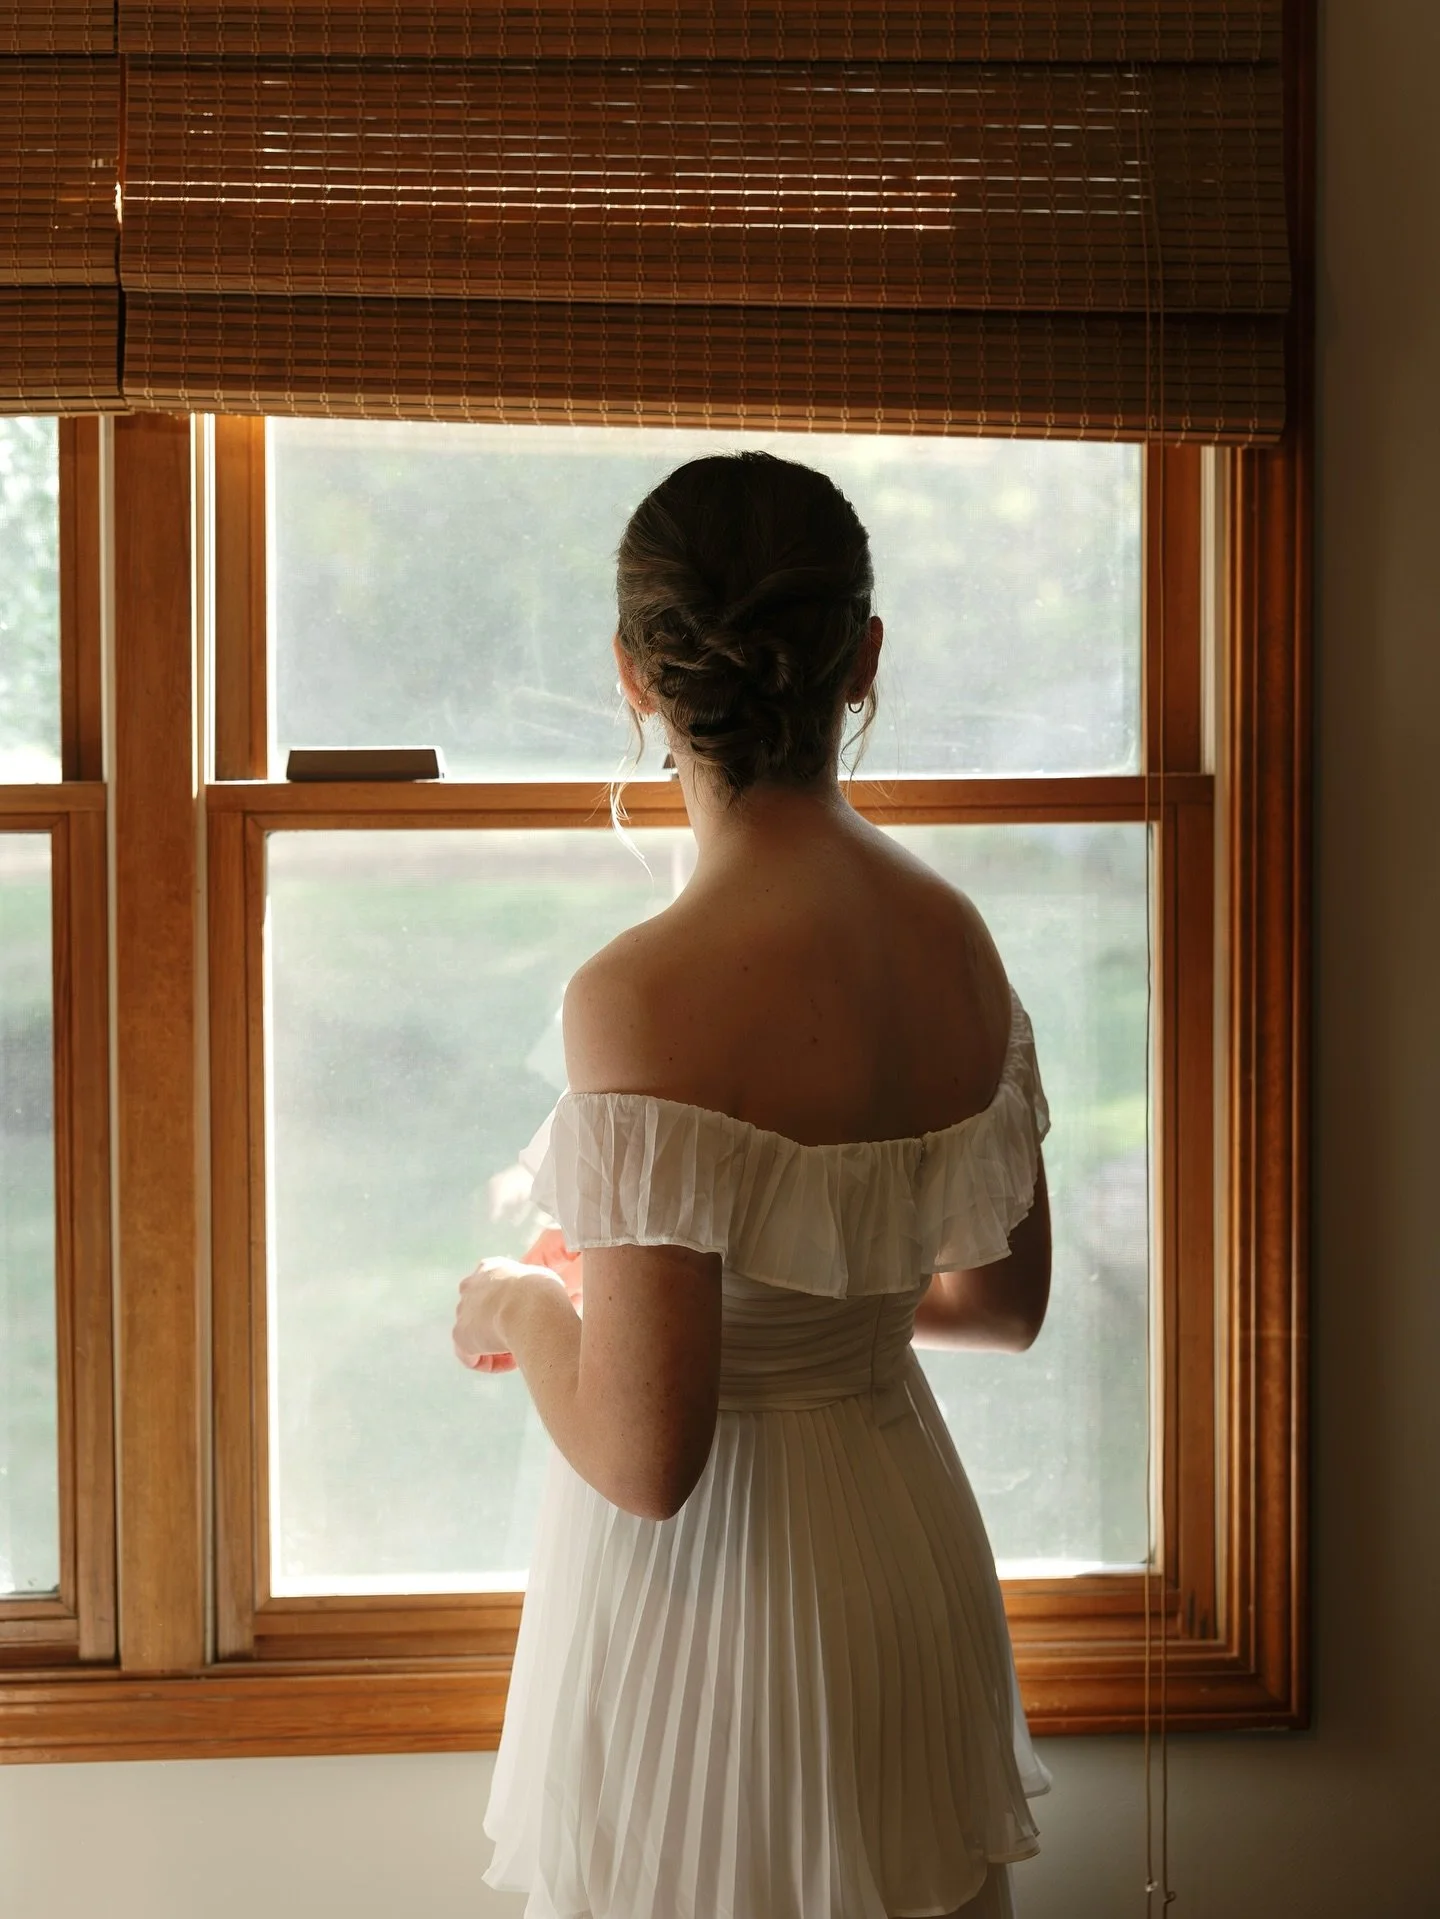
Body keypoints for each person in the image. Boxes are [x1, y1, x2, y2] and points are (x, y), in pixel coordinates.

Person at [452, 450, 1053, 1919]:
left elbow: (651, 1459)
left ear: (632, 677)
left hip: (724, 1605)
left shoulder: (640, 991)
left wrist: (527, 1301)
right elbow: (1002, 1302)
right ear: (864, 658)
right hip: (901, 1553)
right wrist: (792, 1301)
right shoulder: (955, 940)